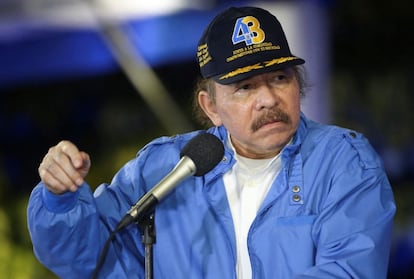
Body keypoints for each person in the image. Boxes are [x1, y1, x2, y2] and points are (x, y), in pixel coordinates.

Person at [27, 6, 396, 279]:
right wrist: (59, 200)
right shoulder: (163, 169)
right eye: (246, 87)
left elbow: (350, 270)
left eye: (280, 78)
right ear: (211, 106)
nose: (268, 98)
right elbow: (86, 259)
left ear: (298, 84)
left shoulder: (343, 161)